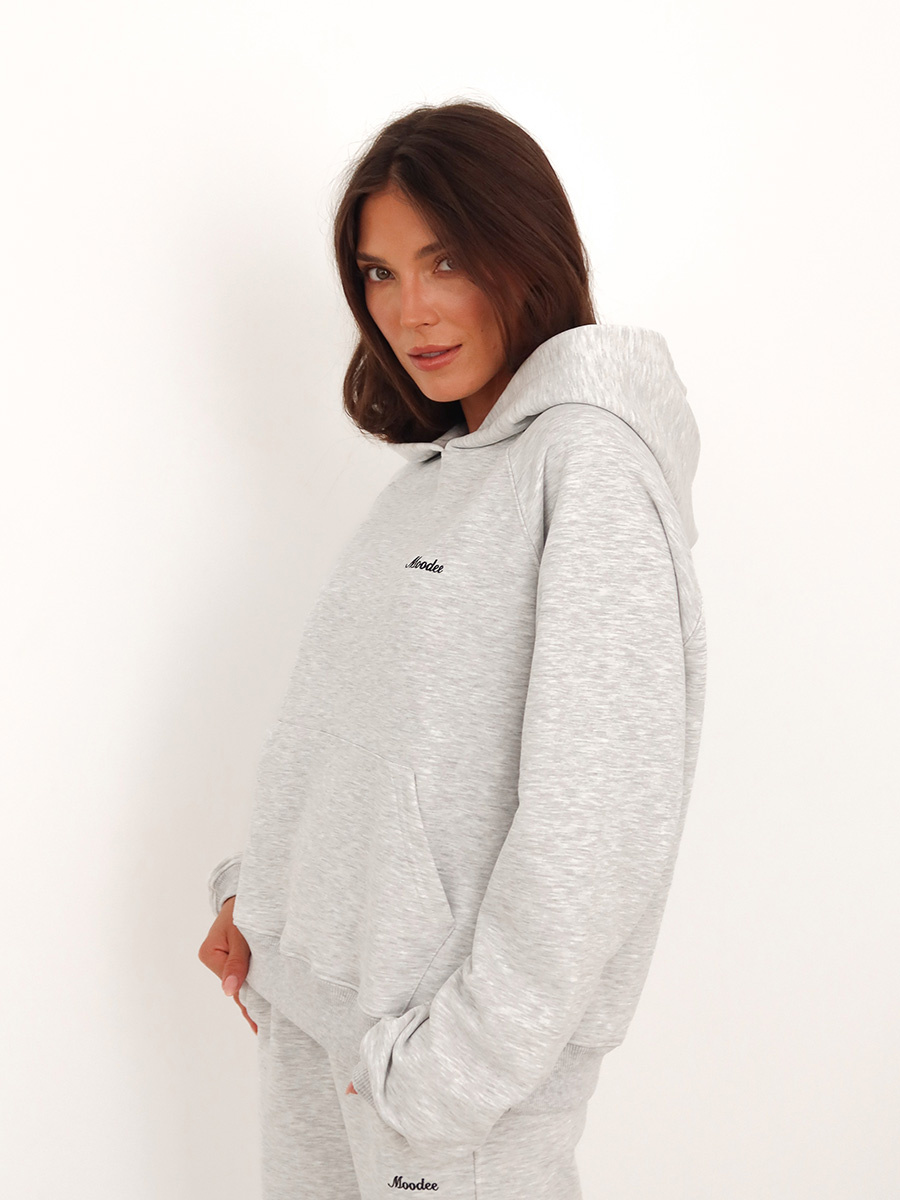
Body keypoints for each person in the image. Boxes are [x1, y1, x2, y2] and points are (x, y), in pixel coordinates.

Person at [198, 99, 707, 1200]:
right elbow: (359, 732)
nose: (410, 309)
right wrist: (261, 897)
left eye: (446, 260)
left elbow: (598, 825)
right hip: (326, 1032)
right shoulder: (434, 482)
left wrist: (447, 1078)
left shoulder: (589, 471)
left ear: (525, 253)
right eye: (379, 274)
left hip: (440, 1091)